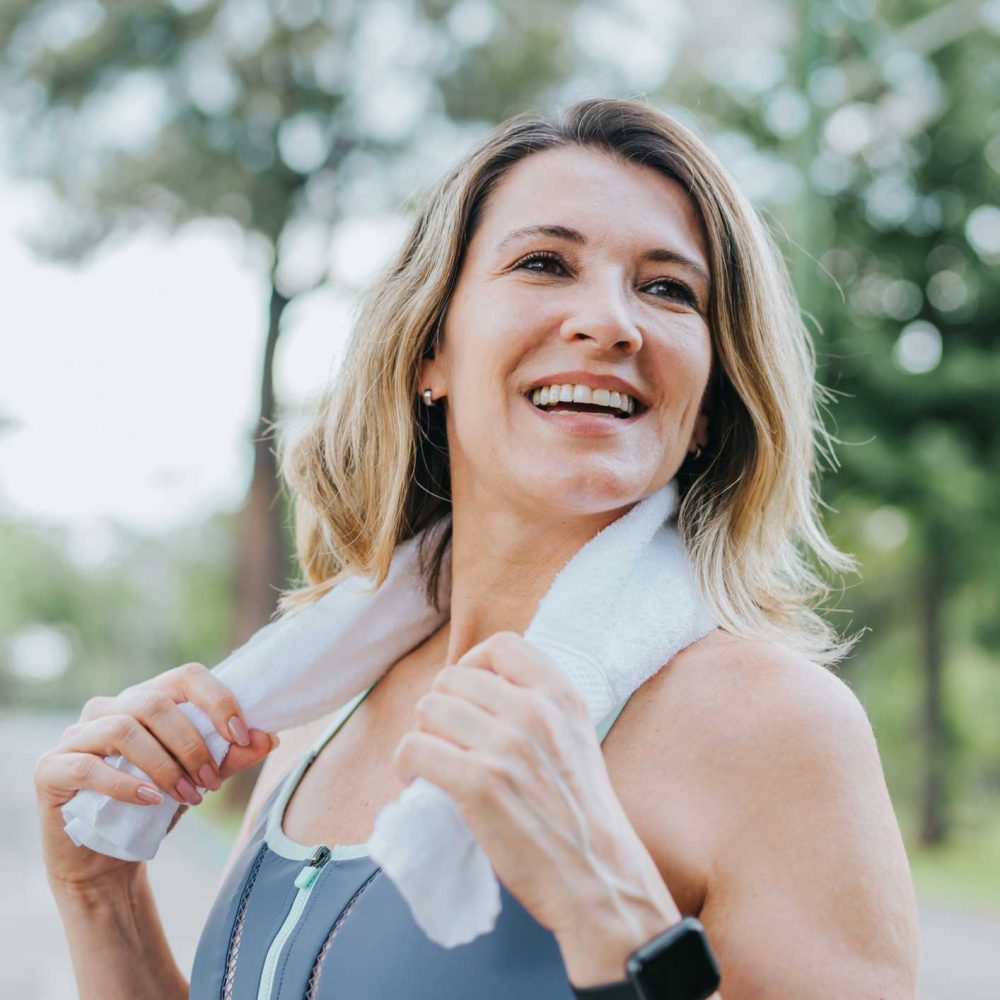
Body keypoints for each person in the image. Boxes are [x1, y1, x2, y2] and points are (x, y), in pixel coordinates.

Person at [35, 97, 919, 999]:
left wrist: (607, 906)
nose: (612, 322)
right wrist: (99, 893)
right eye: (545, 263)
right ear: (432, 352)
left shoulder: (776, 727)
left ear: (707, 405)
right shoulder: (318, 707)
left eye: (667, 288)